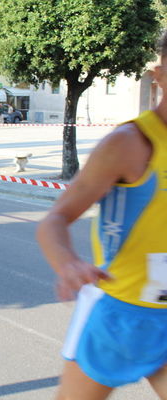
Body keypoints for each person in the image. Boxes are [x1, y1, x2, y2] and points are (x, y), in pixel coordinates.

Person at [36, 33, 167, 400]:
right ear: (159, 75)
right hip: (120, 317)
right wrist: (67, 264)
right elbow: (55, 219)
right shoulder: (130, 144)